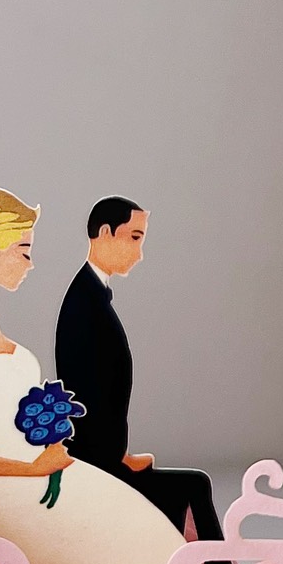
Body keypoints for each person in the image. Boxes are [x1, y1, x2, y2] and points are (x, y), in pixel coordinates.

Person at [0, 187, 185, 564]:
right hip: (4, 487)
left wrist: (49, 433)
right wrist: (29, 468)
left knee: (136, 512)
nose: (30, 264)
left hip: (42, 466)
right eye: (23, 251)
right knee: (125, 524)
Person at [54, 195, 223, 542]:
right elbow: (86, 394)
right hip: (95, 462)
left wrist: (120, 455)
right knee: (194, 486)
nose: (140, 253)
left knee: (193, 485)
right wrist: (112, 460)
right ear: (105, 233)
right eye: (134, 237)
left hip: (103, 455)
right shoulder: (84, 304)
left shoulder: (91, 297)